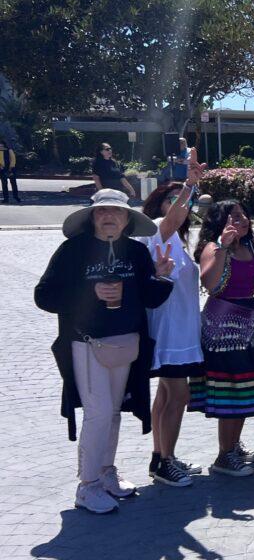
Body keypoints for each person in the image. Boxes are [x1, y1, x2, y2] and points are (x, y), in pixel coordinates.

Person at [35, 190, 175, 513]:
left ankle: (105, 472)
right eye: (102, 212)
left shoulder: (137, 253)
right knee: (98, 413)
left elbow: (149, 298)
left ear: (127, 220)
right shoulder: (72, 252)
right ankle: (88, 485)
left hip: (125, 342)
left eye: (117, 212)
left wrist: (163, 277)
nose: (109, 217)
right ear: (92, 217)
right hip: (86, 342)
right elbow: (44, 296)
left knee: (112, 411)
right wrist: (90, 291)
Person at [191, 200, 254, 477]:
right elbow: (209, 282)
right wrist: (221, 244)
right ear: (221, 221)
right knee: (229, 390)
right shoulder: (213, 247)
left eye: (244, 215)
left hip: (248, 324)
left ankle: (232, 447)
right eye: (235, 216)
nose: (243, 220)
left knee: (245, 389)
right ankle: (224, 455)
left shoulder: (251, 247)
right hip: (223, 328)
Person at [135, 163, 206, 487]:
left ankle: (160, 456)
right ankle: (165, 462)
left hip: (181, 332)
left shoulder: (177, 240)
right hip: (169, 334)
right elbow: (176, 216)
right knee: (178, 396)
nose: (182, 204)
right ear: (160, 205)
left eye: (185, 199)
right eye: (173, 199)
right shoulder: (158, 229)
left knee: (165, 395)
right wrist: (190, 186)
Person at [0, 138, 21, 204]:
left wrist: (11, 167)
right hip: (2, 169)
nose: (1, 147)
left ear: (4, 145)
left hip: (10, 168)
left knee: (13, 183)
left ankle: (16, 196)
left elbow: (13, 159)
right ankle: (6, 198)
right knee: (4, 184)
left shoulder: (9, 150)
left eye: (2, 146)